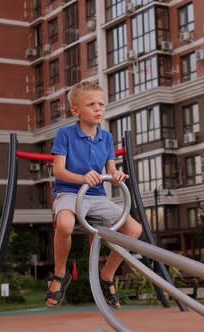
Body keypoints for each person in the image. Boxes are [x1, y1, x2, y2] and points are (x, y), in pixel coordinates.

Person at [44, 81, 142, 309]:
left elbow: (110, 169)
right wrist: (81, 178)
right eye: (91, 105)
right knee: (65, 225)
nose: (98, 109)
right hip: (69, 192)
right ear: (76, 111)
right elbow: (58, 170)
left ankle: (106, 275)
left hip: (96, 197)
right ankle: (59, 275)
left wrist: (117, 175)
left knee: (134, 229)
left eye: (101, 104)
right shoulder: (65, 135)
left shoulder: (106, 138)